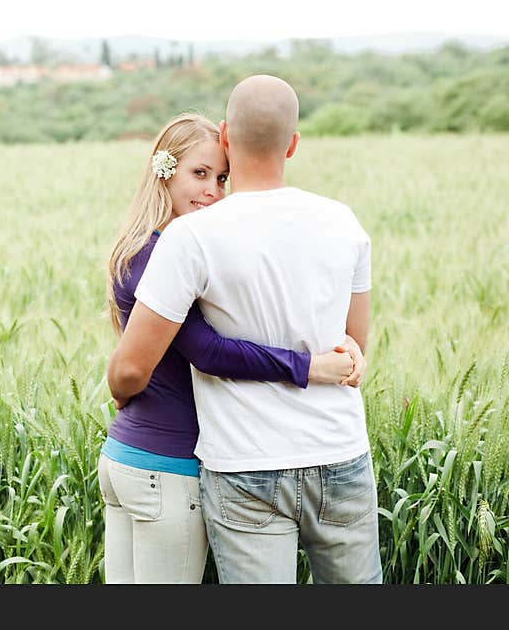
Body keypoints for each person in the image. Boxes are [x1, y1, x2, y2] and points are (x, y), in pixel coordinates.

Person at [107, 77, 380, 584]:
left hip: (241, 462)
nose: (212, 189)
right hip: (338, 451)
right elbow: (355, 343)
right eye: (200, 174)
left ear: (228, 135)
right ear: (293, 144)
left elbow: (143, 365)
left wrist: (124, 390)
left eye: (219, 176)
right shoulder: (344, 222)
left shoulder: (189, 237)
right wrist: (320, 364)